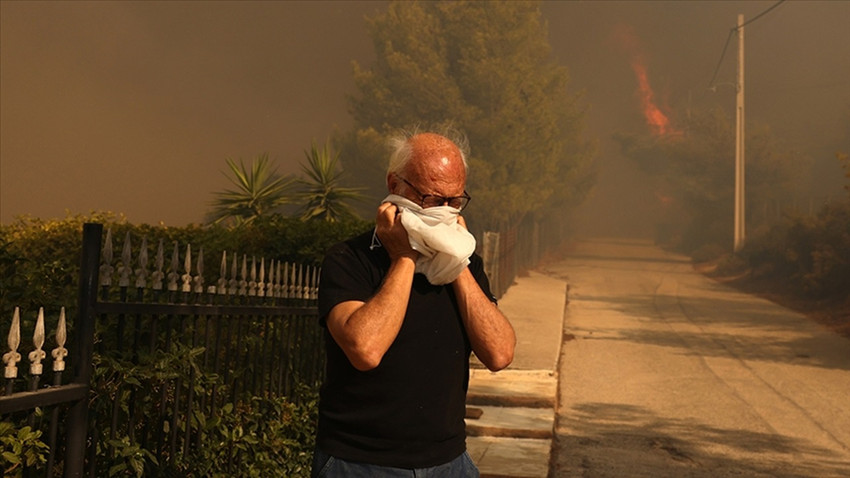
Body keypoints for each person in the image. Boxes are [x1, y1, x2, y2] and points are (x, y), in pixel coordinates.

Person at [312, 128, 516, 477]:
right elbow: (365, 350)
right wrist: (403, 257)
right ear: (395, 185)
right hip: (360, 463)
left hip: (450, 463)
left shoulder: (464, 266)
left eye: (455, 202)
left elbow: (499, 353)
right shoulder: (350, 259)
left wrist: (456, 261)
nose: (445, 211)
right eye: (433, 200)